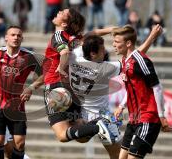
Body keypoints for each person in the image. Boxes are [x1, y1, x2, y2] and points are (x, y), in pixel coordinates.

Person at [67, 24, 164, 158]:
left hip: (81, 116)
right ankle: (98, 127)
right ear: (93, 53)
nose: (106, 52)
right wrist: (151, 37)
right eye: (103, 50)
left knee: (80, 138)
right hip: (102, 117)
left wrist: (108, 31)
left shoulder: (75, 56)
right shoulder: (106, 68)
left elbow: (87, 36)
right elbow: (134, 58)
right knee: (117, 155)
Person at [43, 8, 115, 145]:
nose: (59, 12)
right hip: (71, 89)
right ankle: (98, 122)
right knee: (81, 137)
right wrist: (113, 29)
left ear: (64, 24)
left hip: (56, 88)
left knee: (62, 135)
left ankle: (98, 126)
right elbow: (94, 33)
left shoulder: (58, 35)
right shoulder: (75, 39)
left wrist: (61, 67)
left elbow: (63, 52)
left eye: (63, 13)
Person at [0, 26, 42, 159]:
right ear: (6, 37)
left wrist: (31, 87)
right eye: (12, 35)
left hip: (17, 106)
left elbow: (45, 73)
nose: (16, 37)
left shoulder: (28, 57)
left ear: (22, 38)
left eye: (18, 35)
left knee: (20, 143)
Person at [112, 25, 172, 159]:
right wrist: (122, 106)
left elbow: (157, 87)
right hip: (134, 119)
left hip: (148, 118)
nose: (113, 45)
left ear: (128, 43)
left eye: (117, 42)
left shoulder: (141, 61)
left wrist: (161, 115)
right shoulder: (125, 61)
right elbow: (132, 87)